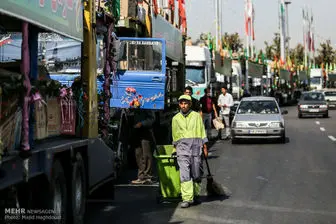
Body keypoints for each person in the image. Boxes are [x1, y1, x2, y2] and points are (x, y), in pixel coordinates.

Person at [172, 95, 208, 208]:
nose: (183, 105)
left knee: (196, 173)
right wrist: (174, 149)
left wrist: (205, 146)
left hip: (196, 148)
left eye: (185, 103)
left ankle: (195, 194)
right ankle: (187, 198)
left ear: (190, 104)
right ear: (179, 104)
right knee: (184, 174)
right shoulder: (175, 118)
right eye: (181, 103)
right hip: (182, 149)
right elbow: (175, 135)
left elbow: (202, 131)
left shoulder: (196, 116)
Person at [131, 109, 156, 184]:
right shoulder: (132, 105)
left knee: (146, 154)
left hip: (146, 132)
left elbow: (152, 119)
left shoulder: (147, 105)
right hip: (136, 131)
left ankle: (147, 176)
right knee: (138, 154)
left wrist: (142, 123)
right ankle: (141, 176)